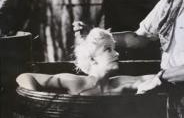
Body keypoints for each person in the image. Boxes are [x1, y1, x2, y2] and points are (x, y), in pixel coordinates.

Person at [16, 27, 152, 95]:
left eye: (114, 49)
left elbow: (150, 78)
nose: (117, 53)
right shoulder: (76, 82)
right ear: (92, 59)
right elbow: (24, 77)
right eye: (108, 49)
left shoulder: (118, 81)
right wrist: (38, 100)